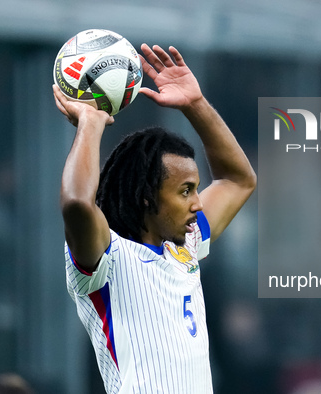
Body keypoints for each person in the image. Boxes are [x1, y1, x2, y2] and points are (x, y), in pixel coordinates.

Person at [53, 43, 256, 393]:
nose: (197, 203)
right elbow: (76, 204)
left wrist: (195, 105)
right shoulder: (106, 259)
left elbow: (238, 180)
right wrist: (89, 123)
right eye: (185, 191)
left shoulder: (185, 249)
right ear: (146, 197)